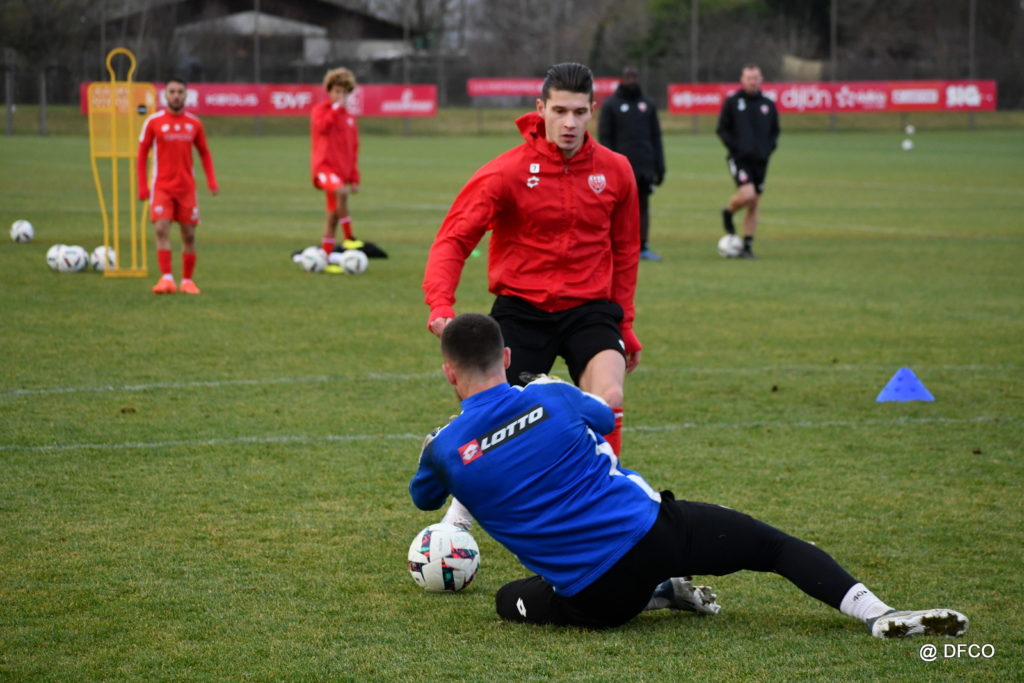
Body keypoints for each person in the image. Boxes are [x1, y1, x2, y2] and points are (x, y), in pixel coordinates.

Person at [410, 313, 971, 637]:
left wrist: (448, 449)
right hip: (656, 534)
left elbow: (424, 499)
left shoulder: (444, 449)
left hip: (597, 596)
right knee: (774, 548)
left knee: (509, 600)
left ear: (448, 373)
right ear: (507, 357)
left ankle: (658, 594)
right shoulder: (551, 394)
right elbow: (603, 417)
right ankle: (878, 614)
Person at [422, 62, 640, 456]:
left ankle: (604, 486)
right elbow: (454, 239)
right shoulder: (507, 172)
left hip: (589, 310)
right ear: (541, 109)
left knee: (608, 397)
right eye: (559, 111)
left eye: (579, 112)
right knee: (495, 419)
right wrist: (440, 303)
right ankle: (462, 494)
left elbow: (625, 252)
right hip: (521, 310)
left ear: (593, 110)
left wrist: (625, 324)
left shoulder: (616, 170)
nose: (569, 123)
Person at [137, 77, 218, 294]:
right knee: (161, 229)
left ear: (186, 95)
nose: (176, 96)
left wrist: (211, 181)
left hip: (186, 188)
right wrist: (142, 186)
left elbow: (204, 152)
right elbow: (142, 154)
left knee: (189, 235)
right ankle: (166, 278)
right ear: (165, 94)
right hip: (162, 186)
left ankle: (187, 281)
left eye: (180, 92)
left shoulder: (194, 123)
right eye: (172, 91)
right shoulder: (153, 122)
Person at [598, 66, 666, 261]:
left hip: (644, 166)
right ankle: (614, 246)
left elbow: (656, 136)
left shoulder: (648, 104)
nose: (631, 80)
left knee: (643, 206)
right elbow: (605, 137)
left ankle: (643, 246)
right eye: (628, 77)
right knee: (616, 208)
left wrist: (660, 165)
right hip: (619, 168)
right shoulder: (611, 105)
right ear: (621, 79)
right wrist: (608, 164)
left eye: (634, 77)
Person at [716, 64, 779, 259]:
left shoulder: (768, 104)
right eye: (749, 78)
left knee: (754, 203)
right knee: (748, 194)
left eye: (756, 77)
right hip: (740, 159)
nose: (753, 81)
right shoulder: (733, 102)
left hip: (761, 161)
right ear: (742, 80)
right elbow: (722, 129)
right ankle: (729, 211)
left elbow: (774, 132)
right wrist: (736, 148)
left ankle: (747, 245)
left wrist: (767, 150)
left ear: (761, 79)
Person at [310, 67, 361, 272]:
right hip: (324, 169)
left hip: (341, 173)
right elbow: (322, 128)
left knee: (332, 216)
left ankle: (326, 258)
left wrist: (354, 177)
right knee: (341, 192)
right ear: (329, 91)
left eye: (344, 93)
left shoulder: (349, 118)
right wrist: (335, 108)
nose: (341, 96)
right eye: (337, 92)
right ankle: (349, 237)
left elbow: (353, 149)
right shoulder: (321, 111)